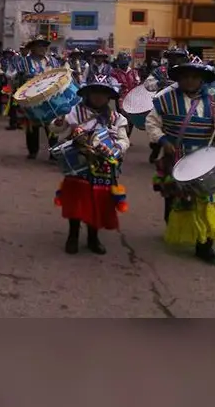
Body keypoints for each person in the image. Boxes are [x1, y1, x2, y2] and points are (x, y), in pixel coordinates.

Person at [145, 58, 215, 264]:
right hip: (175, 157)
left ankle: (204, 244)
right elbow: (151, 123)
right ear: (178, 79)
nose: (190, 81)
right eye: (185, 77)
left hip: (205, 160)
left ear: (202, 80)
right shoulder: (165, 99)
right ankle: (176, 227)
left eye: (195, 77)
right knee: (175, 198)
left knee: (207, 201)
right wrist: (162, 140)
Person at [49, 75, 131, 255]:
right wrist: (59, 122)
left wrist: (114, 150)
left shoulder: (116, 118)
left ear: (109, 96)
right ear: (88, 94)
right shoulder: (74, 112)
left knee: (98, 203)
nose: (98, 97)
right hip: (78, 164)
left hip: (103, 166)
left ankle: (93, 238)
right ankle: (72, 236)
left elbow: (124, 141)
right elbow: (56, 129)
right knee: (76, 201)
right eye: (95, 92)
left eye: (103, 93)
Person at [144, 47, 190, 162]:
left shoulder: (189, 71)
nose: (175, 59)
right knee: (158, 127)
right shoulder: (161, 71)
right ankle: (156, 149)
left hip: (185, 104)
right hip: (164, 104)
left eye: (178, 57)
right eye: (172, 57)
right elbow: (147, 84)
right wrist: (159, 83)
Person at [22, 36, 59, 160]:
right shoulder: (25, 61)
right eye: (39, 46)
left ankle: (53, 152)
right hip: (32, 97)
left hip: (51, 97)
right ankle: (33, 151)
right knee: (33, 125)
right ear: (32, 48)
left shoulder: (53, 61)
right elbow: (16, 76)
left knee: (53, 125)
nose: (42, 49)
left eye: (44, 46)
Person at [109, 51, 141, 137]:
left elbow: (138, 82)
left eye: (125, 61)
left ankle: (127, 136)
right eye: (122, 61)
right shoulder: (114, 73)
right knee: (122, 117)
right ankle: (122, 135)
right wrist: (118, 89)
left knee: (132, 118)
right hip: (121, 98)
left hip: (133, 98)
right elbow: (114, 84)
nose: (124, 64)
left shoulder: (134, 72)